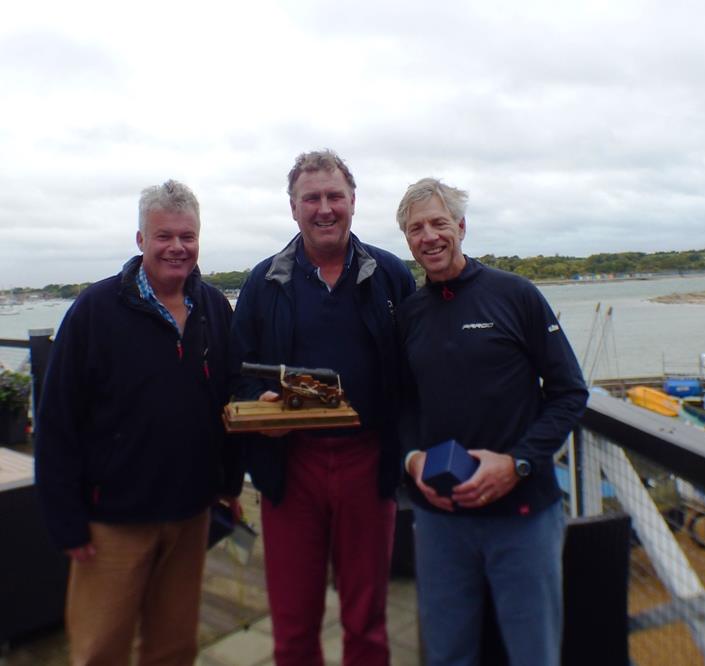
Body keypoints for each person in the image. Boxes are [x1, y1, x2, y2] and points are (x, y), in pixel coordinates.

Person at [35, 180, 242, 666]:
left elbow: (228, 397)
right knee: (100, 649)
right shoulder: (95, 311)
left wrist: (229, 480)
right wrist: (66, 521)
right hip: (112, 522)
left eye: (187, 236)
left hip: (189, 513)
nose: (177, 247)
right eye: (164, 236)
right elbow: (57, 420)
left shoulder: (213, 307)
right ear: (140, 240)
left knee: (173, 648)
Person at [230, 149, 415, 666]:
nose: (325, 208)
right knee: (293, 627)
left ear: (353, 201)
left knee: (368, 624)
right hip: (292, 468)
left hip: (367, 461)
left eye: (335, 196)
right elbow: (236, 372)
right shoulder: (264, 282)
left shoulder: (392, 276)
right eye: (312, 198)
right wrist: (258, 408)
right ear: (293, 208)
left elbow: (414, 371)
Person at [396, 178, 589, 666]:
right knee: (446, 654)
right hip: (440, 518)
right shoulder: (409, 314)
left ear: (461, 227)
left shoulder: (516, 295)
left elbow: (569, 393)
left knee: (533, 654)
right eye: (416, 228)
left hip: (522, 515)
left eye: (439, 223)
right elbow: (400, 404)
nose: (429, 236)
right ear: (408, 240)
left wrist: (518, 463)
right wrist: (413, 458)